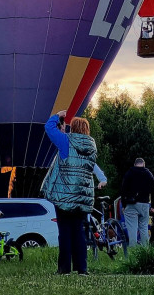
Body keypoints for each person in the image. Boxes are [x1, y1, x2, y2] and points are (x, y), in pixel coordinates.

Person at [42, 110, 107, 276]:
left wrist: (57, 115)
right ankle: (82, 269)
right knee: (78, 231)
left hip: (64, 195)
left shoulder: (65, 141)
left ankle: (64, 269)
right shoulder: (92, 147)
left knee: (64, 232)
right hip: (82, 197)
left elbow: (49, 128)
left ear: (74, 129)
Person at [120, 157, 154, 246]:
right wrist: (153, 206)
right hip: (144, 204)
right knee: (144, 228)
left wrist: (124, 205)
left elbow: (123, 190)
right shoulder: (149, 174)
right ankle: (145, 251)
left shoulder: (129, 173)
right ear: (144, 164)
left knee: (132, 229)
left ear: (134, 164)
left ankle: (133, 252)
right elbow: (153, 191)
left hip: (131, 205)